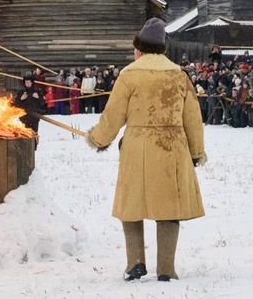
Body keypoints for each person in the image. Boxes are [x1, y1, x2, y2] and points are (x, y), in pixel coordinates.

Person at [86, 18, 206, 282]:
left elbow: (113, 114)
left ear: (139, 48)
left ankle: (135, 264)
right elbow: (193, 119)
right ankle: (166, 269)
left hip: (137, 146)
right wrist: (196, 152)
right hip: (171, 148)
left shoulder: (129, 74)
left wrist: (99, 138)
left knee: (132, 205)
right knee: (169, 206)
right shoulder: (179, 75)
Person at [15, 76, 44, 146]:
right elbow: (16, 104)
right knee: (25, 133)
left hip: (35, 116)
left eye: (28, 82)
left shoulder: (37, 91)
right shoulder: (21, 92)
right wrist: (21, 99)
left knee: (34, 133)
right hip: (24, 117)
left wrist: (38, 97)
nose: (27, 84)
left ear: (32, 83)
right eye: (26, 82)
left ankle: (34, 146)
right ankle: (25, 147)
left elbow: (43, 103)